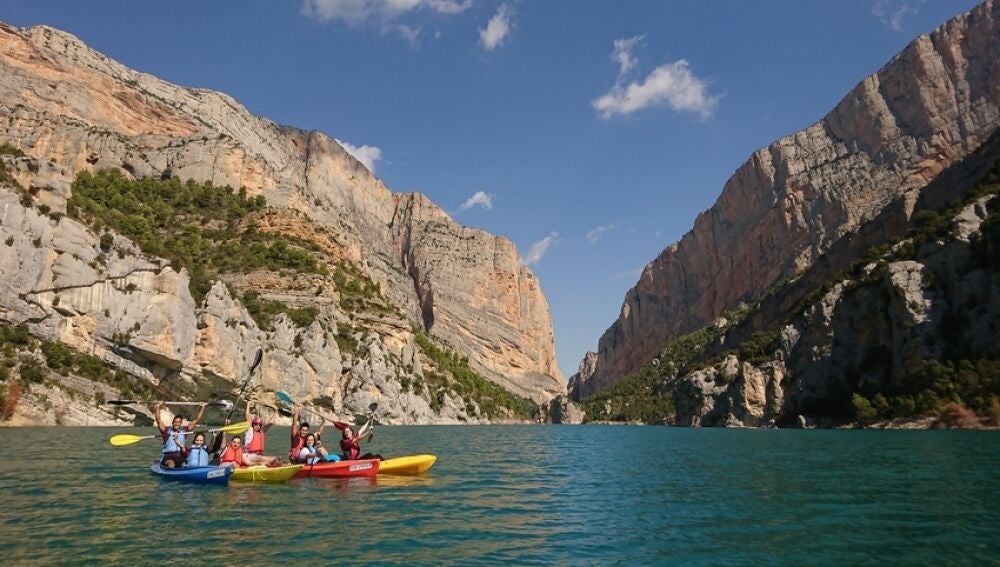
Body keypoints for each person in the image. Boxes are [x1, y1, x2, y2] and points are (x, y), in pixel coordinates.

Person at [153, 401, 207, 468]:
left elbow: (196, 420)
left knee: (184, 465)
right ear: (173, 423)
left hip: (180, 456)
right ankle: (170, 471)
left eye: (179, 422)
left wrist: (202, 407)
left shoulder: (185, 431)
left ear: (181, 423)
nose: (177, 423)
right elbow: (158, 420)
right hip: (168, 457)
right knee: (171, 464)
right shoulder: (166, 431)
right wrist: (157, 407)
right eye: (175, 422)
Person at [243, 397, 281, 465]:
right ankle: (267, 463)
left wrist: (275, 411)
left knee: (277, 460)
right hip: (249, 456)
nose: (257, 426)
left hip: (259, 456)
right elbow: (247, 416)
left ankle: (268, 464)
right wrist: (248, 404)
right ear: (253, 424)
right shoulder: (250, 430)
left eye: (259, 425)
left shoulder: (261, 431)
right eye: (256, 424)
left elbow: (271, 422)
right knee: (272, 459)